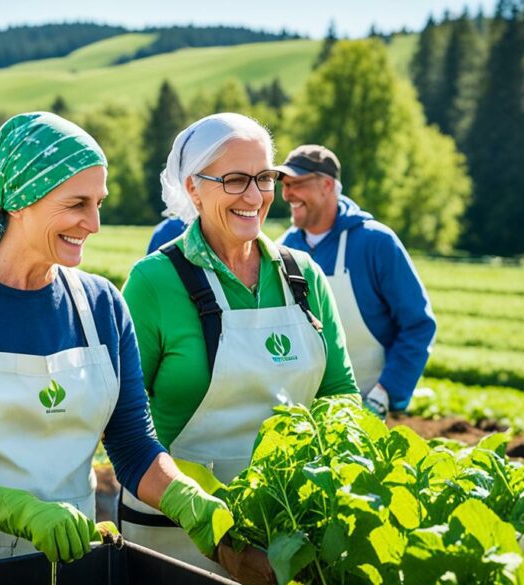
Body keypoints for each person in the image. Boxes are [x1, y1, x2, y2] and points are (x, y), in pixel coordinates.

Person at [0, 112, 229, 572]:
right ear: (22, 200)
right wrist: (14, 509)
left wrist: (186, 497)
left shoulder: (103, 304)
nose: (94, 223)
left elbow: (132, 447)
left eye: (98, 202)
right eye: (77, 204)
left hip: (73, 563)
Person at [120, 113, 358, 571]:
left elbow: (340, 396)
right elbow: (123, 425)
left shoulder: (303, 277)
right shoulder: (153, 283)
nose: (254, 196)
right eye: (234, 180)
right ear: (193, 187)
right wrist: (220, 537)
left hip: (287, 533)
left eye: (263, 178)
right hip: (175, 538)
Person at [275, 145, 436, 418]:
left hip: (372, 406)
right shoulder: (281, 250)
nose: (287, 194)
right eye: (285, 185)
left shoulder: (375, 243)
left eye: (296, 184)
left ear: (326, 185)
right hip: (305, 412)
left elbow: (418, 325)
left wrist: (386, 393)